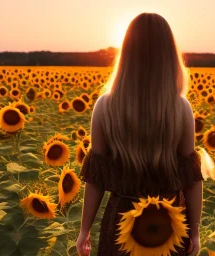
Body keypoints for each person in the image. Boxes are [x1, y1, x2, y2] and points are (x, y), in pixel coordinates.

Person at [76, 12, 204, 256]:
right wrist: (195, 232)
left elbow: (95, 180)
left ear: (126, 54)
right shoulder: (181, 108)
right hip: (169, 224)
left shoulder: (105, 106)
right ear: (168, 55)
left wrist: (85, 229)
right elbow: (191, 180)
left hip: (121, 221)